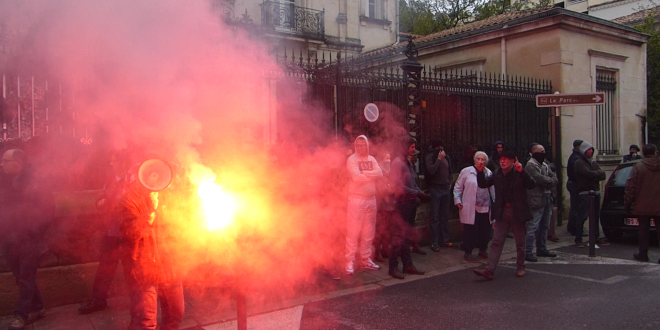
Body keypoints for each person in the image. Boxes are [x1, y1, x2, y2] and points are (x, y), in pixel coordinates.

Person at [118, 160, 184, 330]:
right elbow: (132, 233)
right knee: (145, 321)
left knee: (175, 314)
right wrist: (150, 213)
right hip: (144, 268)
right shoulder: (130, 199)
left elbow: (182, 225)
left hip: (170, 265)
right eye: (153, 175)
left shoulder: (170, 198)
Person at [0, 149, 51, 330]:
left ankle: (21, 315)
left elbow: (47, 208)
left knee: (26, 278)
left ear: (19, 163)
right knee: (21, 278)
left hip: (29, 239)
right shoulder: (4, 180)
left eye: (6, 161)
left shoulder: (34, 182)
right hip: (9, 238)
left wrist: (33, 232)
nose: (2, 164)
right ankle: (38, 307)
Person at [79, 151, 130, 314]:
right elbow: (103, 197)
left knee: (132, 267)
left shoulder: (131, 181)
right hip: (111, 231)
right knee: (105, 268)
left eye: (114, 160)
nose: (110, 164)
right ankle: (98, 300)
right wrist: (101, 202)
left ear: (122, 162)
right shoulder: (111, 181)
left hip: (128, 233)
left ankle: (139, 299)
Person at [472, 151, 535, 280]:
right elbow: (483, 184)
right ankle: (489, 269)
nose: (503, 161)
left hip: (517, 211)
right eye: (501, 159)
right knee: (496, 241)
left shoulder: (519, 173)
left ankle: (520, 266)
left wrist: (522, 172)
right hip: (502, 212)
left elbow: (532, 184)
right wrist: (479, 172)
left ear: (513, 160)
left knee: (520, 242)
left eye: (506, 159)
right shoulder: (497, 174)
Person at [388, 136, 428, 279]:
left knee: (407, 236)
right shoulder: (397, 163)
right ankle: (392, 267)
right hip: (402, 205)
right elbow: (398, 187)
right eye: (411, 147)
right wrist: (417, 193)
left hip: (411, 204)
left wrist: (420, 193)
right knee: (399, 236)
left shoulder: (407, 163)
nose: (414, 150)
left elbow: (413, 181)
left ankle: (407, 264)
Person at [345, 135, 383, 275]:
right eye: (358, 145)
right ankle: (349, 261)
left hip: (371, 199)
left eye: (363, 145)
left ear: (367, 146)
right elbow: (356, 178)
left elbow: (380, 173)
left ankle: (365, 259)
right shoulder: (352, 159)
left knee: (369, 231)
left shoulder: (371, 159)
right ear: (355, 146)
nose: (361, 147)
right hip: (356, 199)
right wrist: (369, 175)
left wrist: (364, 173)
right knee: (353, 231)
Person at [453, 151, 495, 262]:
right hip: (471, 206)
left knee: (485, 230)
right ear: (474, 160)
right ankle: (468, 251)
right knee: (470, 230)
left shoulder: (489, 173)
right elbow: (458, 187)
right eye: (478, 159)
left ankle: (482, 249)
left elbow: (492, 191)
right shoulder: (466, 172)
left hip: (485, 206)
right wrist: (457, 199)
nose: (480, 162)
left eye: (483, 160)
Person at [625, 144, 660, 262]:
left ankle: (643, 253)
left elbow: (631, 187)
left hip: (642, 204)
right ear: (655, 152)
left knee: (643, 230)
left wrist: (627, 204)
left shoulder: (638, 167)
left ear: (644, 153)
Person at [524, 144, 558, 262]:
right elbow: (539, 179)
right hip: (536, 199)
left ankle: (541, 248)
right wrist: (550, 181)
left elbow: (555, 178)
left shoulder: (544, 165)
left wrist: (549, 181)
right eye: (541, 151)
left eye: (544, 151)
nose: (544, 153)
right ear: (534, 153)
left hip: (547, 197)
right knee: (533, 226)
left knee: (545, 225)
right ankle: (527, 251)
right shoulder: (530, 166)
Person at [573, 141, 609, 247]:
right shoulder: (579, 162)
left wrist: (596, 174)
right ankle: (578, 239)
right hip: (585, 192)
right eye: (588, 150)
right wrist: (597, 174)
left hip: (595, 191)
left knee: (595, 216)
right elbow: (587, 174)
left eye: (591, 150)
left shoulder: (593, 162)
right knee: (582, 216)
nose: (590, 151)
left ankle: (595, 237)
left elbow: (602, 174)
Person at [425, 138, 453, 252]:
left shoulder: (446, 157)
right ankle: (434, 242)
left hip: (445, 189)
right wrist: (438, 160)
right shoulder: (430, 157)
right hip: (435, 189)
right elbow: (431, 170)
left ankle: (444, 239)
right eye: (438, 147)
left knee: (444, 216)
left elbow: (450, 171)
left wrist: (450, 182)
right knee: (435, 217)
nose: (440, 149)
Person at [374, 152, 394, 262]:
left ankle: (385, 250)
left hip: (389, 205)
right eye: (386, 159)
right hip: (381, 205)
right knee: (380, 229)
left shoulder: (389, 172)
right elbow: (379, 189)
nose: (388, 161)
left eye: (389, 158)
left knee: (387, 229)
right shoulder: (378, 173)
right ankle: (377, 252)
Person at [566, 139, 583, 236]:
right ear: (578, 147)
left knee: (575, 206)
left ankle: (572, 226)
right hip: (574, 184)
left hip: (573, 183)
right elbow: (575, 173)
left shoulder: (575, 157)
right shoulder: (575, 158)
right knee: (576, 207)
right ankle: (574, 228)